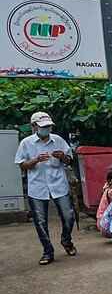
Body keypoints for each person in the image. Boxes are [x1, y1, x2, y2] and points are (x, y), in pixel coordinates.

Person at [14, 112, 77, 265]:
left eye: (48, 126)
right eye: (43, 126)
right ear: (34, 126)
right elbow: (21, 165)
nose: (46, 129)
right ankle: (48, 251)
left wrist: (62, 156)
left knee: (69, 216)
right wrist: (35, 160)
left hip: (58, 184)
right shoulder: (26, 143)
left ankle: (66, 240)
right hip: (38, 187)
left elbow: (69, 161)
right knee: (40, 221)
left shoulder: (58, 140)